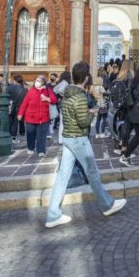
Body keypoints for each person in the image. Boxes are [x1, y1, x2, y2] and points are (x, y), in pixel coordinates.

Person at [45, 62, 126, 228]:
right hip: (79, 138)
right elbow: (83, 122)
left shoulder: (67, 93)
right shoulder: (80, 96)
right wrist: (92, 113)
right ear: (86, 77)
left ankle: (53, 214)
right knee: (92, 172)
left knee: (62, 175)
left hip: (68, 137)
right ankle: (107, 205)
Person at [17, 75, 56, 157]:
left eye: (39, 81)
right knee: (30, 134)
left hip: (44, 118)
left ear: (43, 82)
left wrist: (46, 98)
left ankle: (41, 150)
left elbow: (54, 100)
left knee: (41, 136)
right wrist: (20, 114)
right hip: (30, 118)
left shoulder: (48, 90)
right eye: (36, 80)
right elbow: (24, 103)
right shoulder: (30, 91)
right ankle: (30, 148)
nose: (37, 82)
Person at [8, 75, 27, 142]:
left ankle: (9, 134)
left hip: (11, 106)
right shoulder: (25, 90)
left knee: (10, 121)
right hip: (20, 107)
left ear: (15, 81)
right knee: (16, 122)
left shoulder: (10, 87)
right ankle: (13, 136)